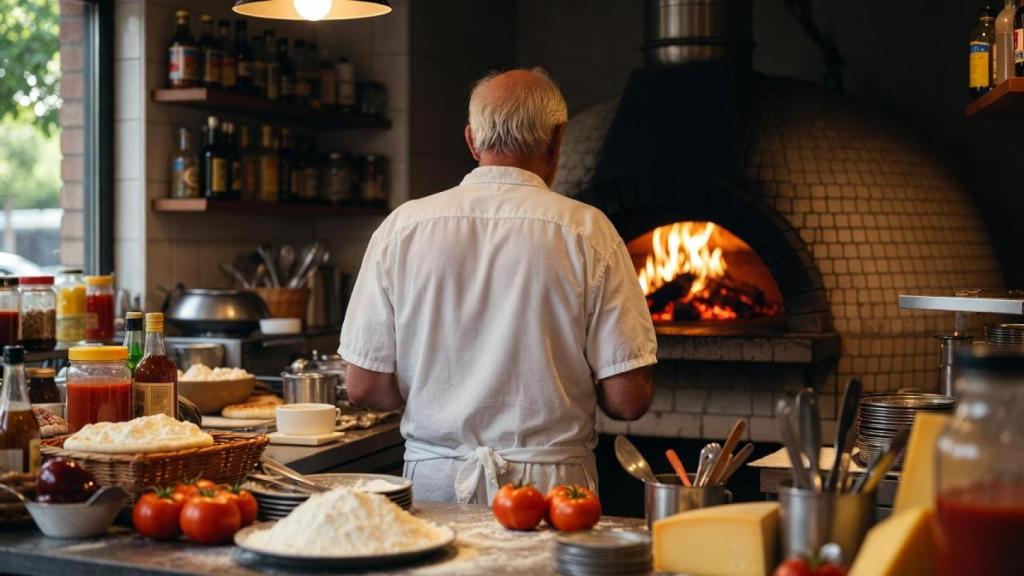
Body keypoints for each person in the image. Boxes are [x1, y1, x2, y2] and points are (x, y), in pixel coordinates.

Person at [339, 68, 657, 504]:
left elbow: (364, 388)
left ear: (472, 140)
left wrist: (438, 388)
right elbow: (628, 399)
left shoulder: (403, 228)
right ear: (557, 139)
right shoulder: (588, 231)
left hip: (435, 485)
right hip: (551, 492)